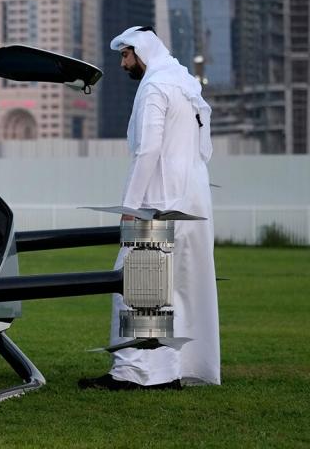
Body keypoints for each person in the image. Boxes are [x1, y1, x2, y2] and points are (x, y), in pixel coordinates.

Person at [79, 26, 221, 390]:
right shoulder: (185, 82)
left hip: (159, 198)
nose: (124, 64)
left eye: (126, 56)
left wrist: (130, 206)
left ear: (141, 52)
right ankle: (170, 370)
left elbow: (148, 151)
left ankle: (134, 373)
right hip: (193, 197)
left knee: (136, 285)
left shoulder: (156, 86)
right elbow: (203, 147)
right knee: (177, 288)